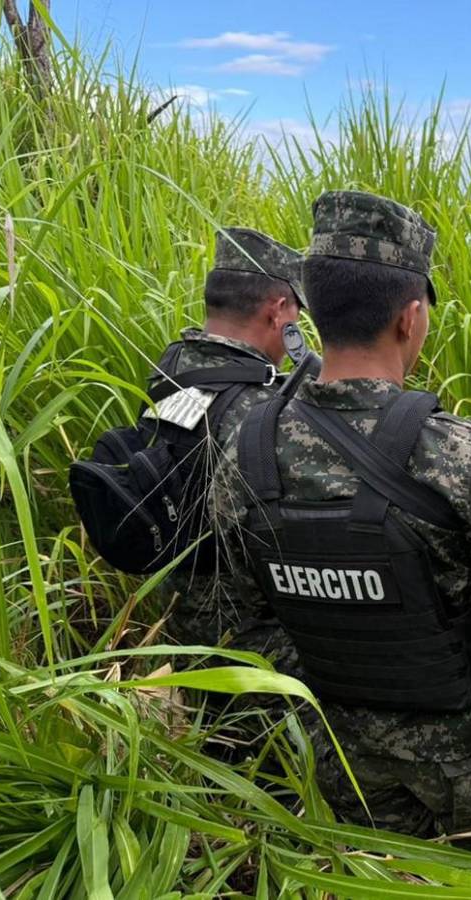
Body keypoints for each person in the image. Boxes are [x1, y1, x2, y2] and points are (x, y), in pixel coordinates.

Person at [210, 191, 471, 871]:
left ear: (315, 311)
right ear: (410, 318)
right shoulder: (459, 453)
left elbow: (241, 615)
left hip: (343, 759)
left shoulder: (247, 448)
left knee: (383, 880)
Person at [153, 227, 305, 666]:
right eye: (296, 316)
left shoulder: (174, 364)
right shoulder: (262, 408)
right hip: (245, 642)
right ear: (277, 312)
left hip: (175, 614)